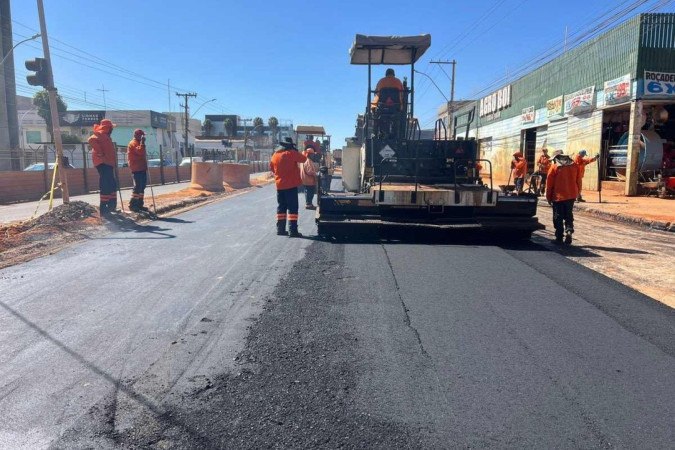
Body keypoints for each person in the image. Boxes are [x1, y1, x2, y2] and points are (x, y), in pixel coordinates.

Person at [270, 137, 308, 237]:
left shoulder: (275, 155)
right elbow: (304, 159)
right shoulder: (291, 153)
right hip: (290, 186)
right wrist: (297, 151)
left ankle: (280, 229)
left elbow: (272, 169)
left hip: (279, 186)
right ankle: (293, 230)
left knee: (281, 207)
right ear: (290, 146)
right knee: (292, 208)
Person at [546, 150, 582, 245]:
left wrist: (548, 197)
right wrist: (578, 193)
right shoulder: (575, 166)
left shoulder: (554, 167)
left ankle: (559, 237)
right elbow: (579, 181)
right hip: (571, 195)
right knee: (568, 214)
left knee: (558, 217)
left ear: (556, 158)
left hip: (558, 196)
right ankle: (569, 231)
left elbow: (549, 184)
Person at [88, 119, 118, 216]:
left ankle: (111, 207)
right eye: (111, 128)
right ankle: (104, 210)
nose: (112, 129)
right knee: (106, 185)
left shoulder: (106, 136)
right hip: (103, 163)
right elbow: (91, 140)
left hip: (108, 163)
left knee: (112, 184)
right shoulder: (100, 133)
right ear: (108, 128)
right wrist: (100, 152)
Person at [127, 129, 149, 212]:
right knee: (138, 186)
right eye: (142, 135)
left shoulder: (139, 142)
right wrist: (143, 142)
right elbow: (140, 151)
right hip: (136, 168)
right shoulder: (133, 143)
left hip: (142, 167)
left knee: (142, 187)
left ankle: (140, 204)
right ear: (137, 135)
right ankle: (133, 205)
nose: (143, 137)